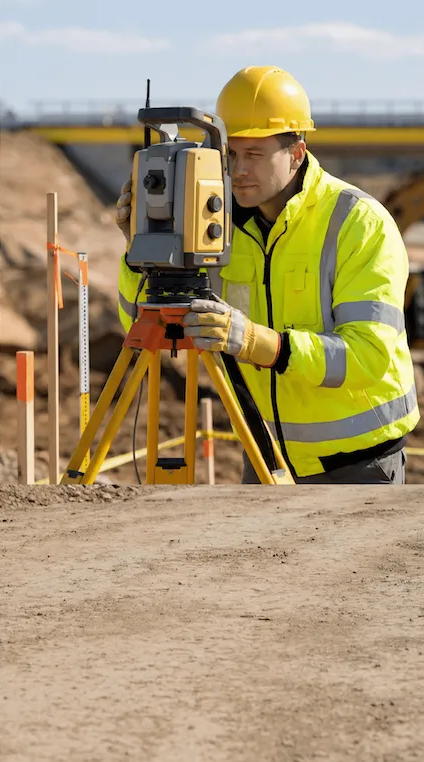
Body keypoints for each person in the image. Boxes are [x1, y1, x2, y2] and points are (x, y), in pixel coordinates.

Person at [117, 66, 418, 483]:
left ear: (296, 153)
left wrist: (259, 342)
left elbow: (369, 356)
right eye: (231, 154)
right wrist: (142, 252)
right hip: (264, 461)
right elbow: (141, 323)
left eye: (254, 155)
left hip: (356, 465)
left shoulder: (358, 223)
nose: (238, 170)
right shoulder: (217, 227)